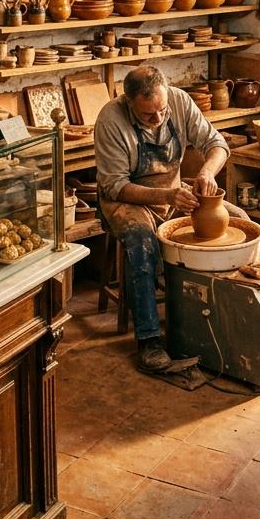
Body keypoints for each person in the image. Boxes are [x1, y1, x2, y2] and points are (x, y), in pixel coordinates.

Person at [94, 66, 239, 372]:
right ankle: (149, 340)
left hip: (173, 192)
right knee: (142, 240)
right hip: (126, 199)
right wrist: (167, 197)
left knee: (239, 220)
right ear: (129, 102)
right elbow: (115, 186)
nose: (158, 118)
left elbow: (217, 145)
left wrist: (206, 172)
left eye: (162, 110)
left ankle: (225, 319)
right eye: (148, 115)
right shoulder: (111, 119)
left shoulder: (180, 100)